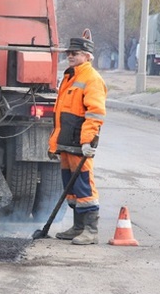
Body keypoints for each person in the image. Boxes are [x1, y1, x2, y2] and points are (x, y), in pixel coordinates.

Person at [48, 30, 107, 245]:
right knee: (70, 187)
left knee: (83, 186)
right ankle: (78, 227)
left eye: (76, 53)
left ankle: (91, 230)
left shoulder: (91, 79)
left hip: (80, 143)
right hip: (67, 142)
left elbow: (95, 113)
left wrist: (88, 141)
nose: (70, 55)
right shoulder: (69, 77)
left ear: (88, 56)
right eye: (70, 52)